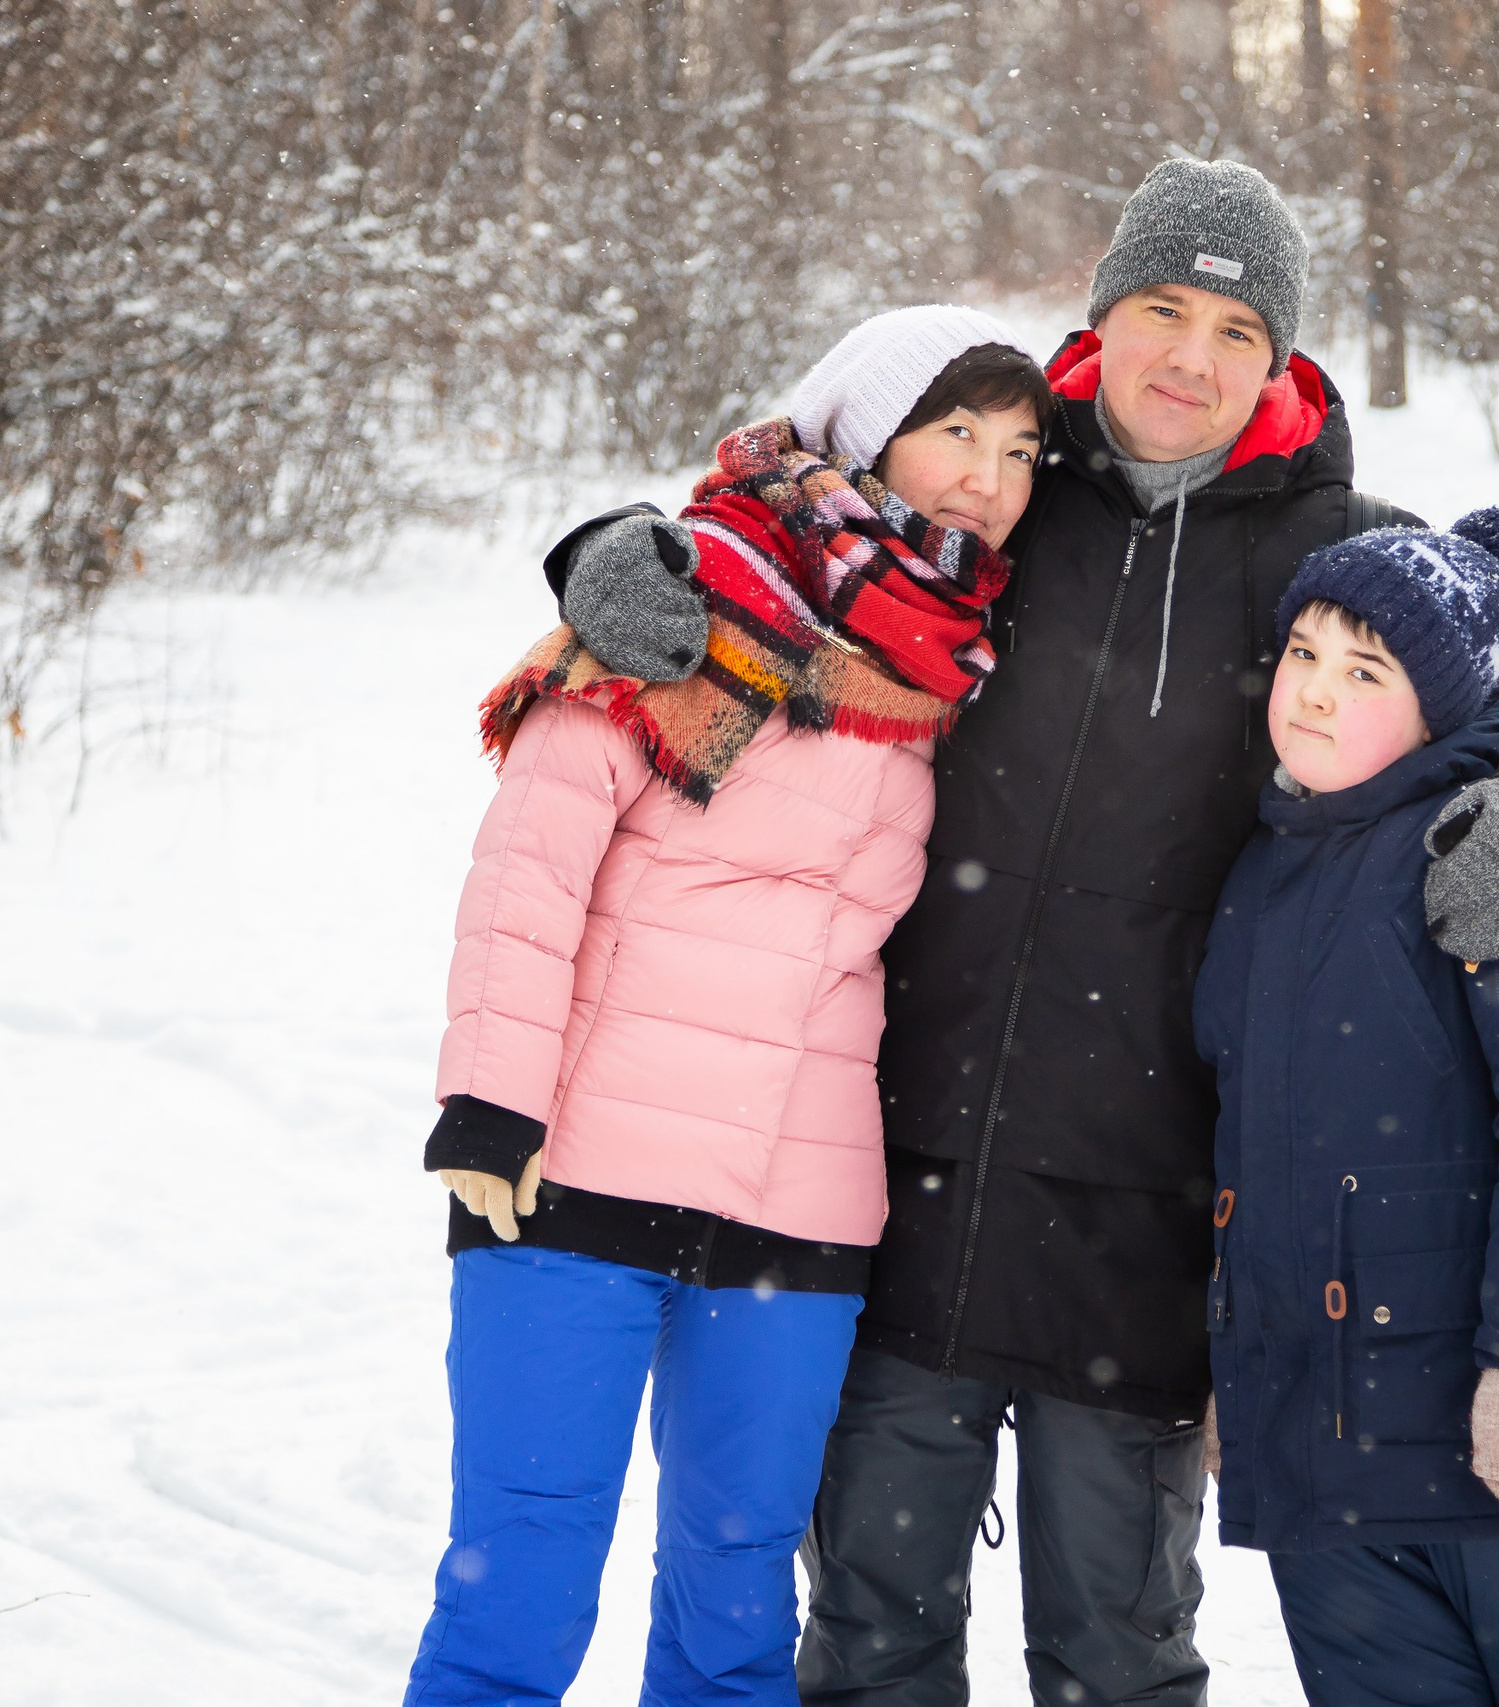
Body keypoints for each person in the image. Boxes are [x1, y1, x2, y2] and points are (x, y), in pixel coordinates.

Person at [549, 159, 1499, 1707]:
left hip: (1138, 1219)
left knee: (1117, 1657)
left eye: (1238, 329)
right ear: (1103, 314)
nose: (1191, 357)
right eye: (1162, 310)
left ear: (1283, 360)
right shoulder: (997, 488)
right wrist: (616, 549)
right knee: (869, 1634)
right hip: (896, 1176)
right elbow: (777, 504)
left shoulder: (1326, 551)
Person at [405, 306, 1053, 1707]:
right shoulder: (686, 595)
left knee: (737, 1603)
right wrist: (490, 1099)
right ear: (865, 428)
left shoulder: (973, 657)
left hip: (797, 1206)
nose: (986, 478)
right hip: (570, 1172)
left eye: (1017, 449)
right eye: (955, 431)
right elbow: (537, 851)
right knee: (514, 1587)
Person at [1192, 508, 1499, 1707]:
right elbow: (1236, 1145)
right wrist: (1237, 1364)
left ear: (1437, 708)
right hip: (1315, 1456)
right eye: (1303, 656)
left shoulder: (1490, 852)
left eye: (1365, 671)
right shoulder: (1254, 874)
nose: (1316, 694)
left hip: (1483, 1450)